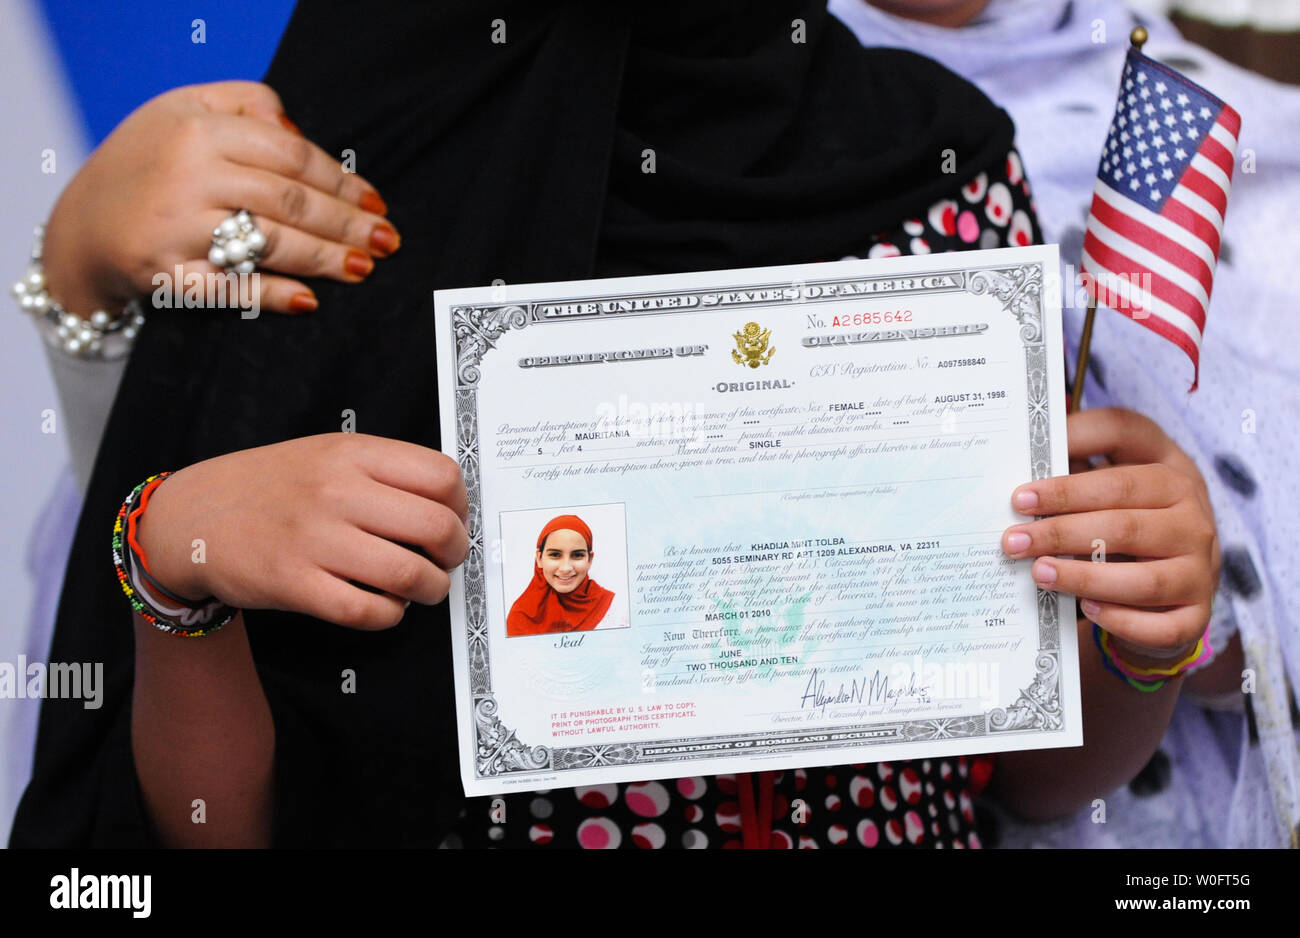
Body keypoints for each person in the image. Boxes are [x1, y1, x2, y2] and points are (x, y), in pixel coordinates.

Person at [10, 1, 1219, 849]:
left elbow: (1031, 772)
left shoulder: (942, 170)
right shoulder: (315, 186)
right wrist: (173, 557)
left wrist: (1147, 629)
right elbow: (198, 838)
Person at [832, 0, 1300, 849]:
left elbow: (1240, 646)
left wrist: (1193, 593)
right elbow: (1022, 771)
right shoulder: (756, 115)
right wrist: (1142, 641)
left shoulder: (1193, 101)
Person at [507, 515, 618, 636]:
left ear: (589, 559)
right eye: (555, 555)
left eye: (577, 555)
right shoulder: (521, 616)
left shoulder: (613, 609)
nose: (566, 568)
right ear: (539, 558)